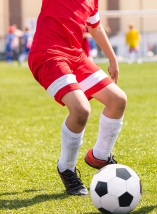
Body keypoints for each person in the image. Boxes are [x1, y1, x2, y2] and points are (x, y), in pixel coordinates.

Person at [28, 0, 127, 196]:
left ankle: (99, 156)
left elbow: (95, 27)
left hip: (76, 56)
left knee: (118, 100)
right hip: (48, 55)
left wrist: (113, 58)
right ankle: (66, 168)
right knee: (81, 110)